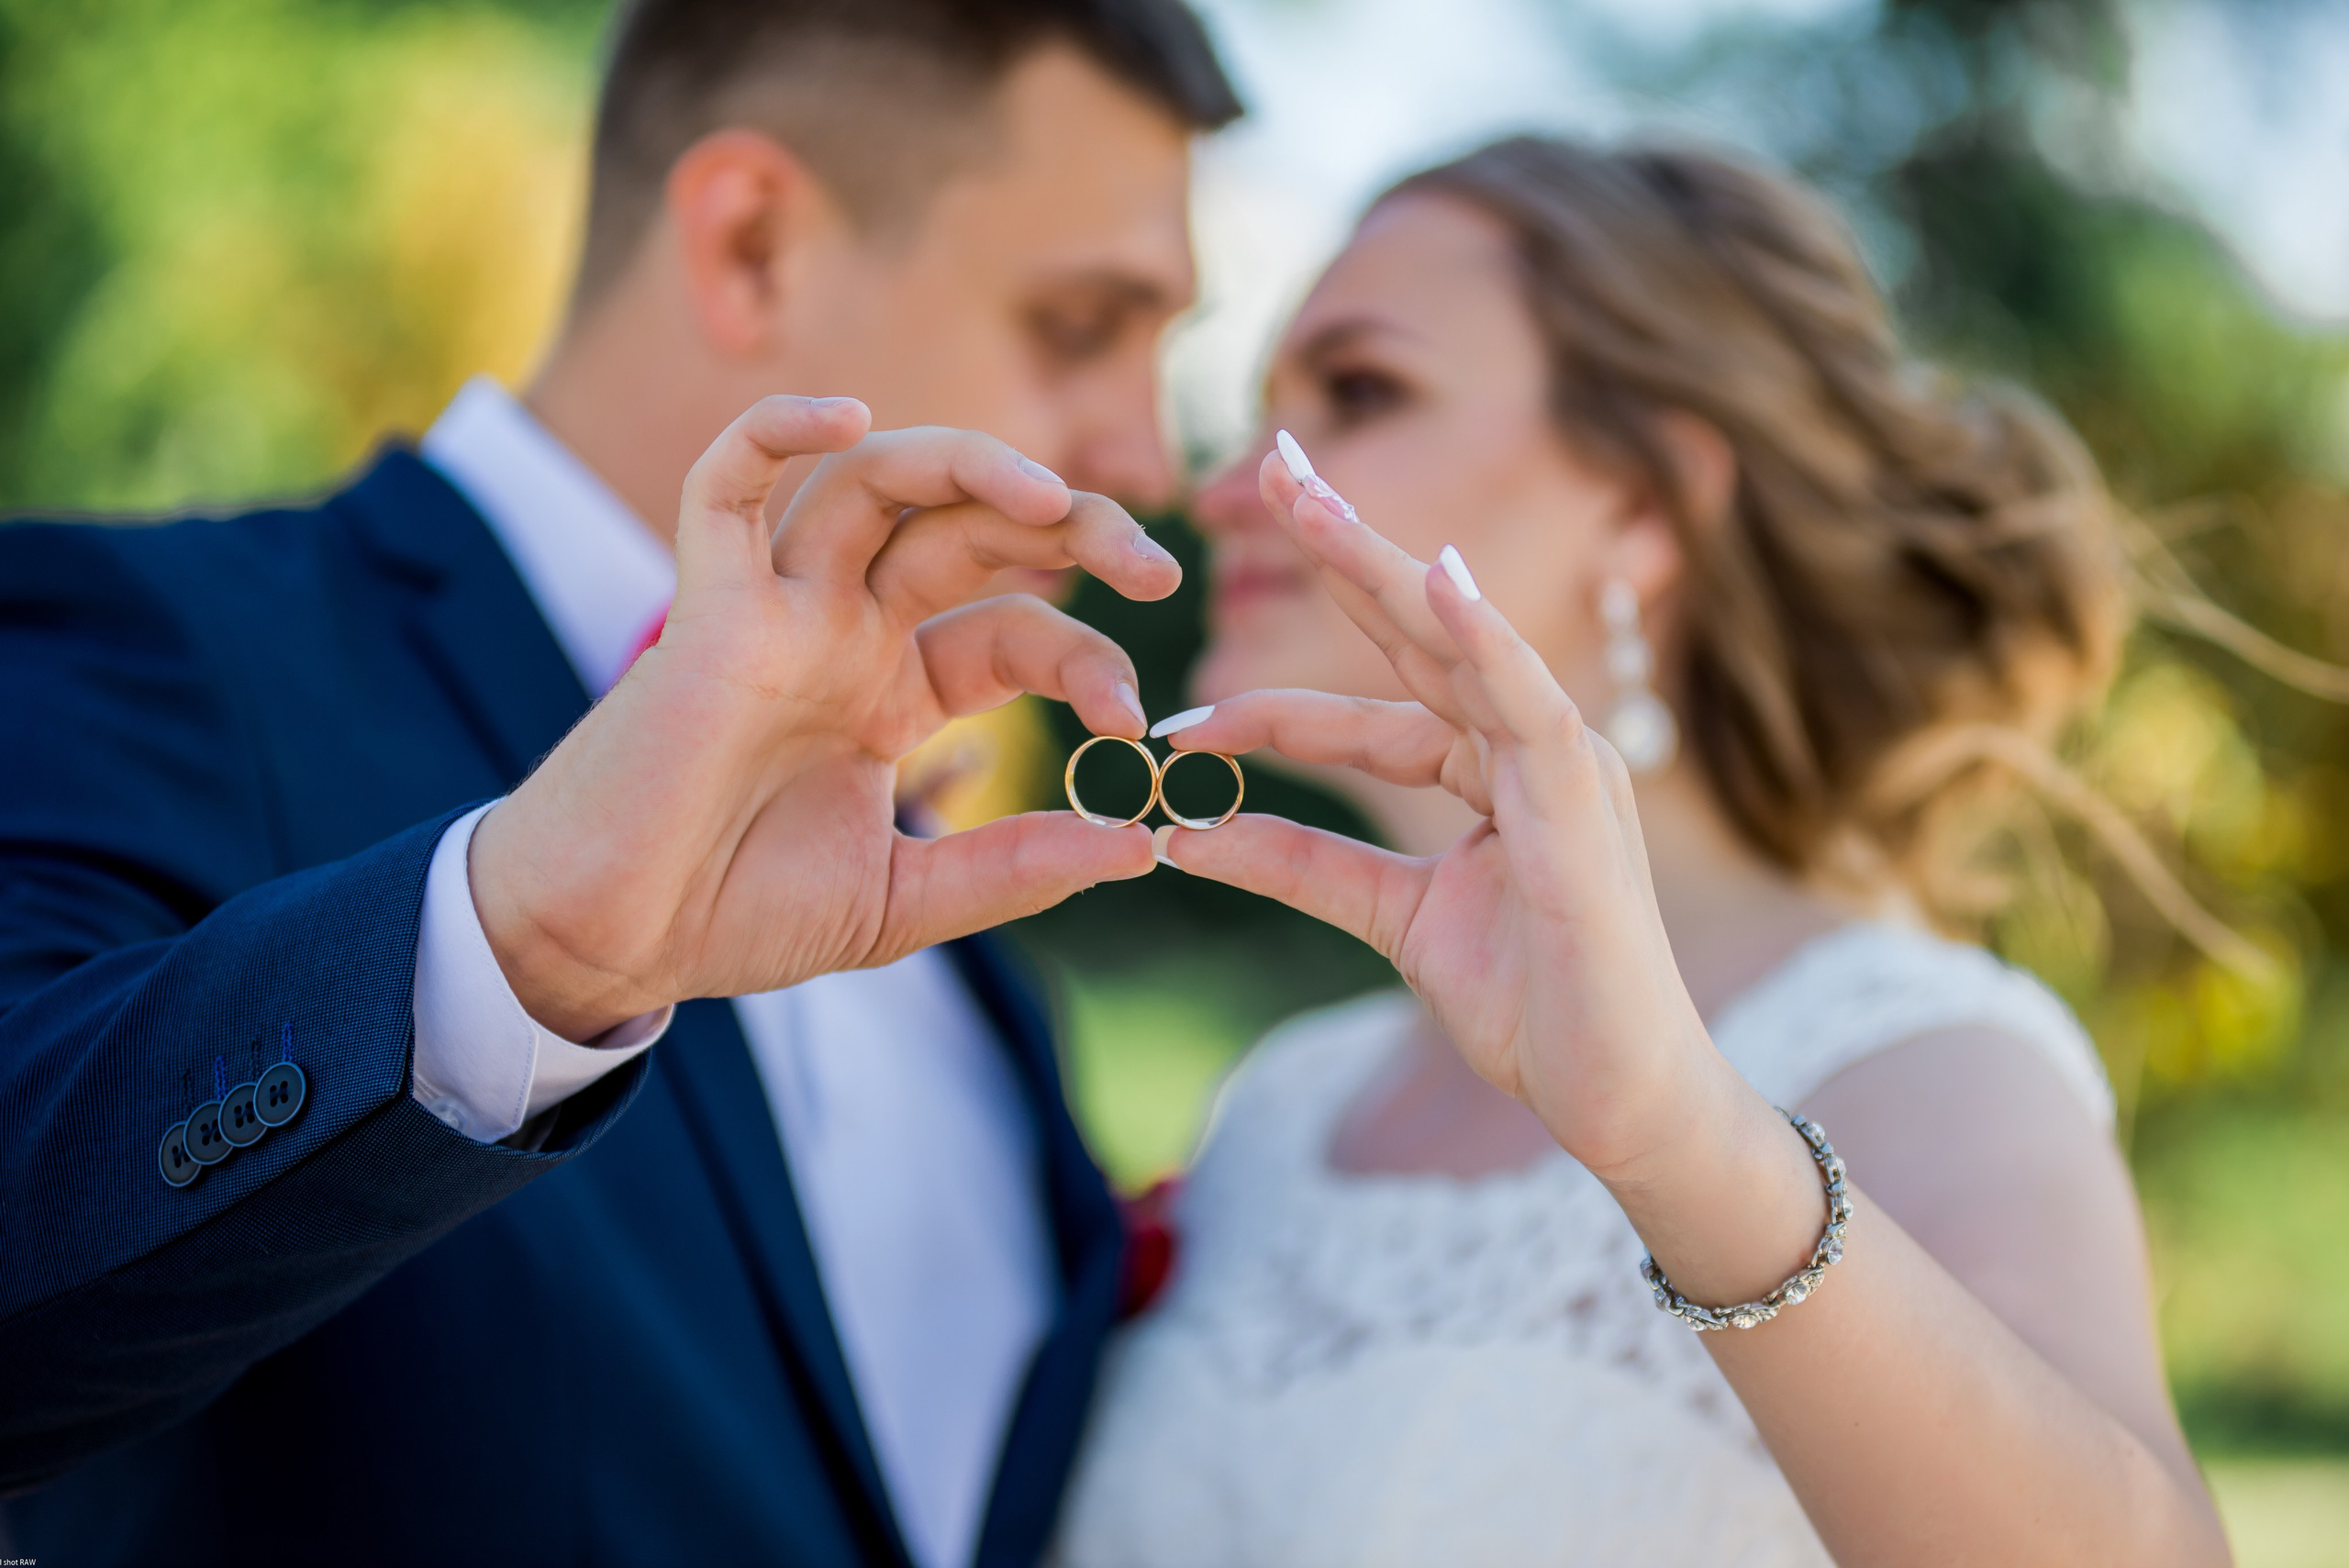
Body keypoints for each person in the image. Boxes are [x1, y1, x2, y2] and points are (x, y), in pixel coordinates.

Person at [0, 2, 1238, 1563]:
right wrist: (526, 951)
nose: (1146, 454)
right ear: (752, 246)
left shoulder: (990, 979)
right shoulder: (160, 651)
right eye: (1080, 324)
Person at [1052, 138, 2232, 1565]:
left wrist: (1684, 1142)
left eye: (1357, 394)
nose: (1227, 484)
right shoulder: (1281, 1107)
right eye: (1256, 416)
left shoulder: (1930, 1056)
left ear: (1644, 502)